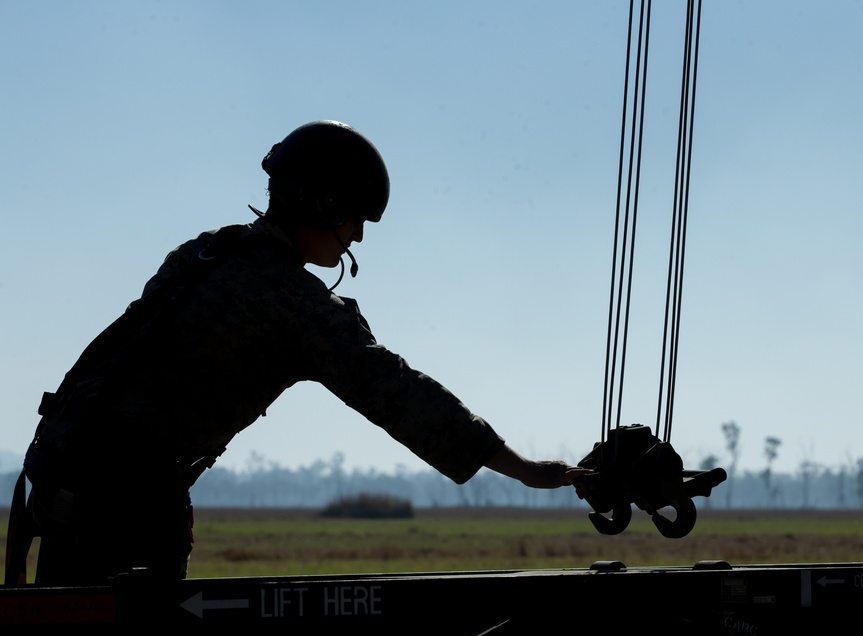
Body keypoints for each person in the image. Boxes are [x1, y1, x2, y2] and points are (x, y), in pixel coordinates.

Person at [7, 120, 586, 585]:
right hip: (125, 510)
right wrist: (525, 469)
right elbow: (395, 392)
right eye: (355, 217)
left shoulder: (204, 253)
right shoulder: (291, 304)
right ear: (326, 204)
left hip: (62, 479)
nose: (358, 235)